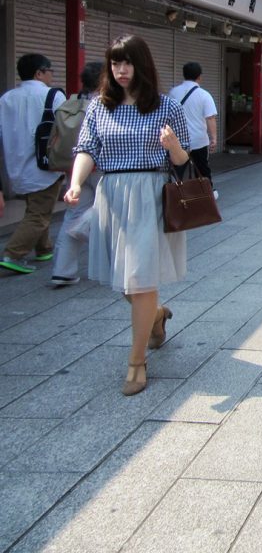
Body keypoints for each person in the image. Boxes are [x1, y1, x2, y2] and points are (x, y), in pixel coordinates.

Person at [64, 35, 190, 396]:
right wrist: (75, 184)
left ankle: (136, 362)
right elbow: (87, 148)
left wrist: (175, 148)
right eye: (116, 63)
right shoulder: (99, 106)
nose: (121, 70)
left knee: (138, 280)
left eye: (128, 62)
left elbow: (185, 162)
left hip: (150, 196)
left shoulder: (167, 107)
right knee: (127, 284)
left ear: (142, 65)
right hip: (113, 198)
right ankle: (157, 315)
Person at [0, 53, 66, 274]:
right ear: (39, 72)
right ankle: (12, 254)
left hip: (16, 165)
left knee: (36, 207)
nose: (51, 75)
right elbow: (68, 128)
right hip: (44, 166)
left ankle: (43, 248)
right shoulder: (53, 96)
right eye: (50, 71)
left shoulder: (7, 98)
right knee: (38, 213)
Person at [50, 61, 103, 286]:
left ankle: (63, 270)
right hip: (102, 168)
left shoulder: (72, 103)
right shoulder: (105, 105)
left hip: (76, 170)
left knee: (71, 217)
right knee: (110, 214)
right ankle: (113, 267)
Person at [168, 62, 218, 189]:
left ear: (183, 75)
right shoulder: (204, 95)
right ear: (199, 77)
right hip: (199, 141)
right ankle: (207, 193)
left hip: (178, 141)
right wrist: (214, 139)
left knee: (176, 171)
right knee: (202, 170)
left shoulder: (173, 93)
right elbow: (210, 118)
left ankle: (174, 194)